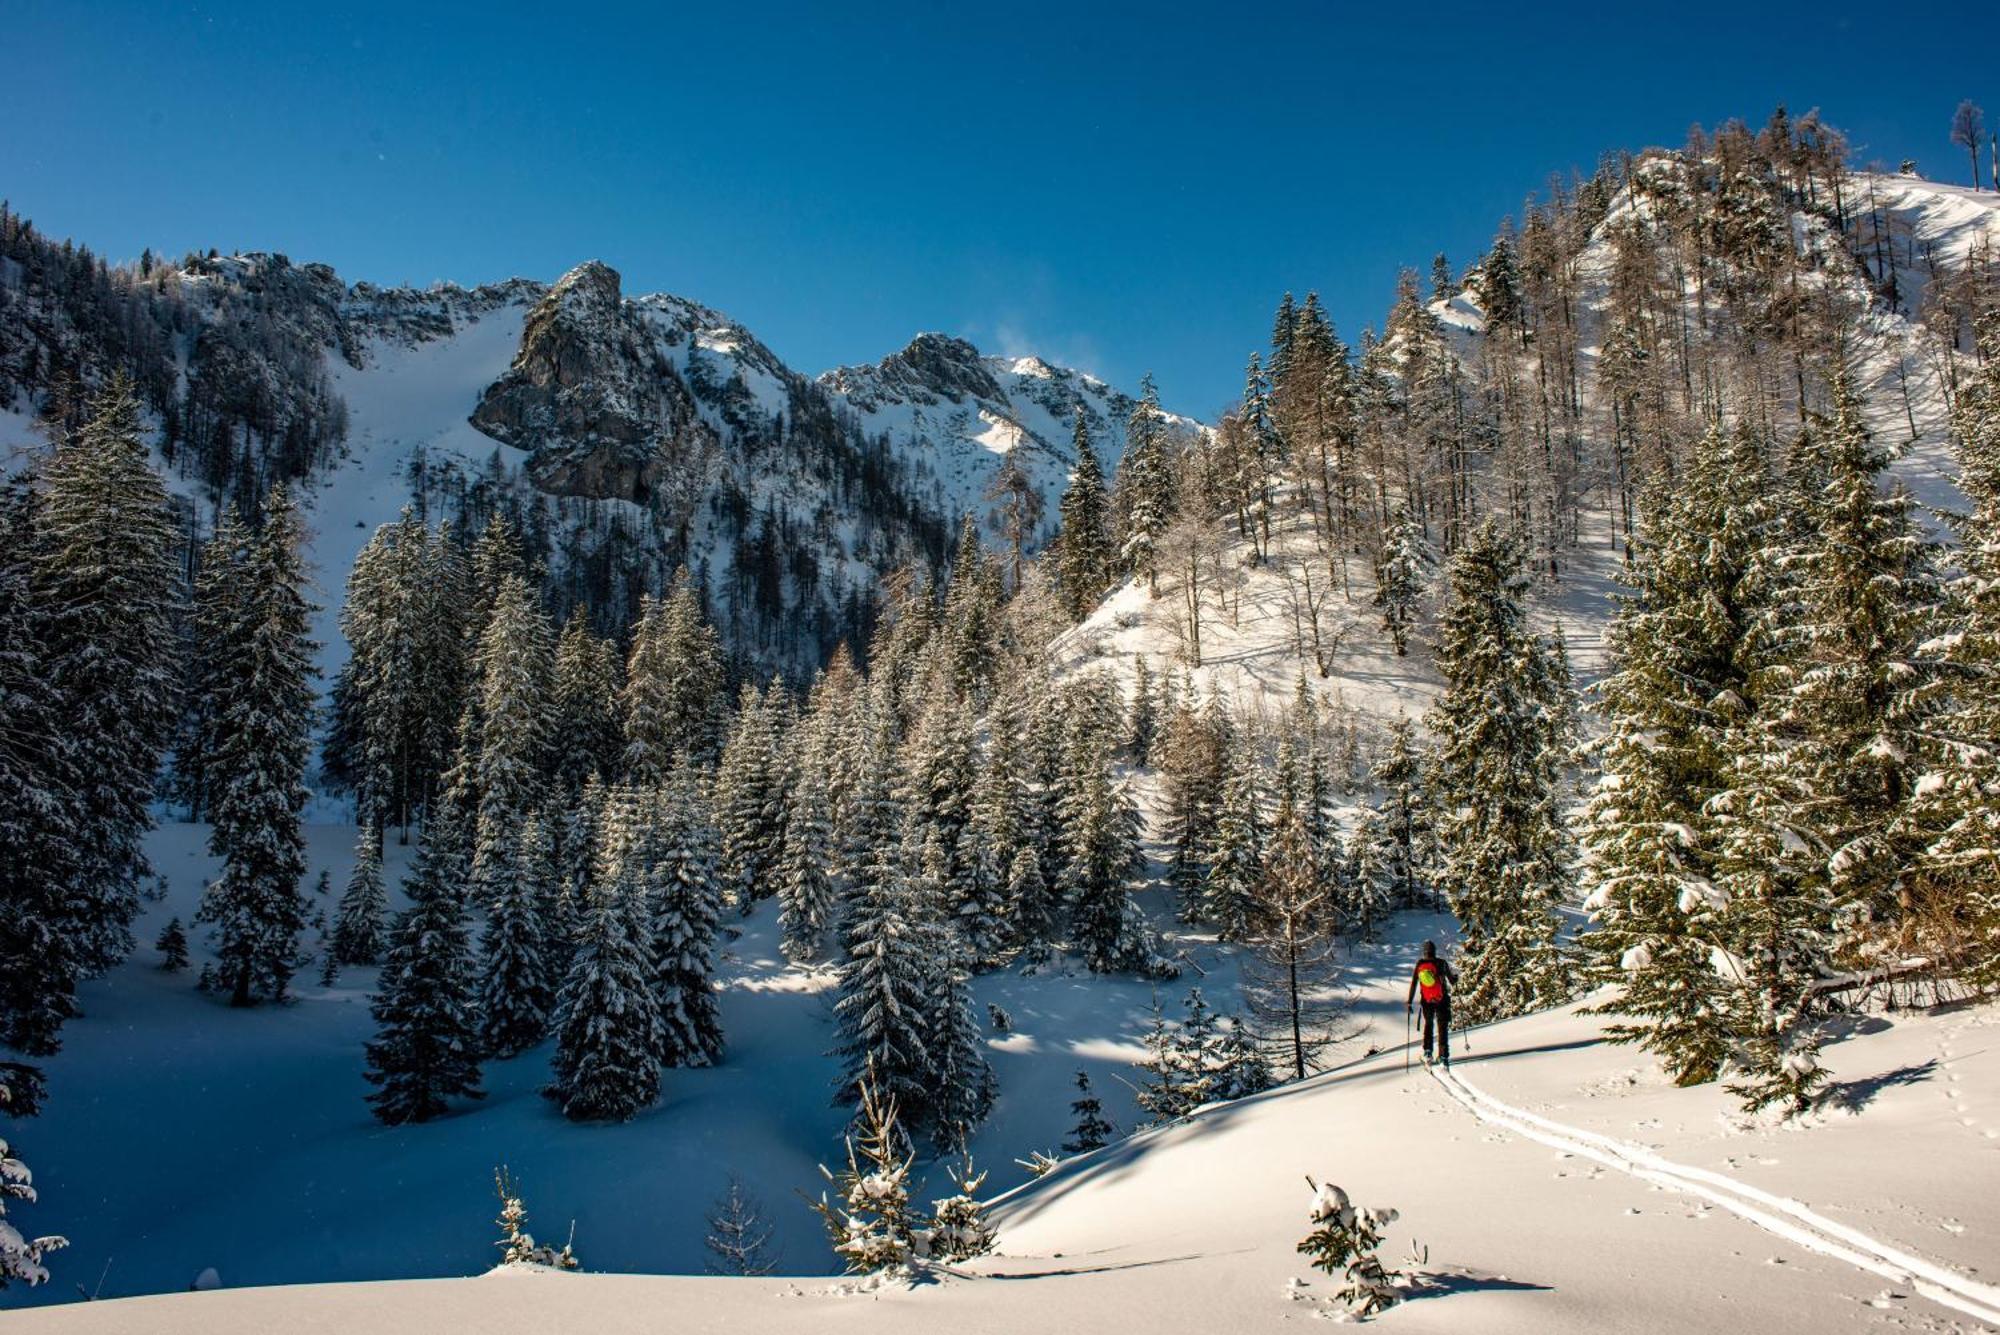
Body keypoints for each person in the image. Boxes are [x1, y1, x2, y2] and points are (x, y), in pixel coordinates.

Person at [1405, 940, 1454, 1068]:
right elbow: (1452, 981)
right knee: (1442, 1027)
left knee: (1429, 1024)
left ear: (1424, 952)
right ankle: (1443, 1056)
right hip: (1442, 999)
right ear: (1434, 951)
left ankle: (1428, 1053)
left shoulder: (1420, 964)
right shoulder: (1442, 963)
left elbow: (1414, 983)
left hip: (1426, 1001)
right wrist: (1455, 978)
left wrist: (1409, 1002)